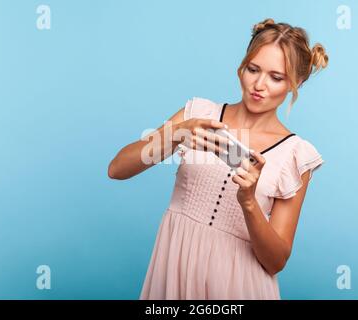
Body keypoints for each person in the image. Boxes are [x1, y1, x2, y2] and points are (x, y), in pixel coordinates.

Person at [108, 18, 328, 299]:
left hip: (240, 286)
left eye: (276, 77)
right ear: (241, 68)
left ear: (295, 82)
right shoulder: (197, 114)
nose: (259, 84)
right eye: (253, 69)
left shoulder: (295, 155)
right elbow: (117, 169)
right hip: (176, 268)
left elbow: (275, 262)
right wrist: (177, 133)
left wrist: (249, 202)